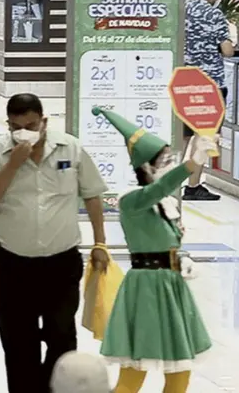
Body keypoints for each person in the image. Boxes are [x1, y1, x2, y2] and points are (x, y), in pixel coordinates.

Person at [0, 93, 109, 393]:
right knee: (19, 346)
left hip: (61, 264)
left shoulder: (69, 148)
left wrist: (100, 243)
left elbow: (92, 194)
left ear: (44, 122)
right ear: (8, 125)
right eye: (16, 127)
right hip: (14, 265)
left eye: (31, 125)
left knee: (62, 340)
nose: (24, 133)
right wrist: (12, 165)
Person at [91, 108, 213, 393]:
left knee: (180, 370)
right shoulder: (132, 201)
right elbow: (159, 189)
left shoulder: (164, 205)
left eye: (172, 160)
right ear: (146, 167)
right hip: (145, 289)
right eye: (165, 161)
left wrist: (179, 259)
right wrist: (190, 165)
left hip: (171, 288)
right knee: (134, 371)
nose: (170, 165)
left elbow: (162, 238)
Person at [182, 0, 233, 200]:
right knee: (204, 136)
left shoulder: (182, 8)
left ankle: (166, 183)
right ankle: (193, 187)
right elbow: (227, 50)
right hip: (210, 82)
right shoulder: (214, 15)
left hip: (183, 80)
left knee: (181, 136)